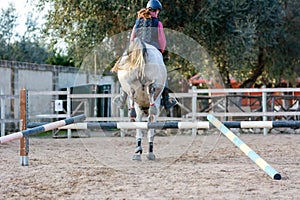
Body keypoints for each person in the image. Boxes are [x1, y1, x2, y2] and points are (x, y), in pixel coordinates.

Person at [113, 0, 177, 110]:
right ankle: (166, 100)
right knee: (163, 72)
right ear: (156, 11)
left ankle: (122, 98)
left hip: (136, 50)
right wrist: (159, 52)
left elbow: (132, 39)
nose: (157, 13)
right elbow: (162, 42)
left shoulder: (137, 23)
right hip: (153, 48)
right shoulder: (158, 23)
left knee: (124, 68)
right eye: (157, 11)